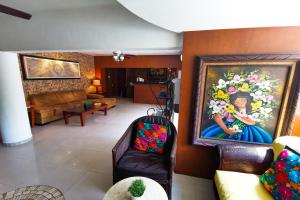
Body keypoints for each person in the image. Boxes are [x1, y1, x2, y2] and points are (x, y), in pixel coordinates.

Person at [202, 92, 273, 144]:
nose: (240, 102)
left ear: (247, 101)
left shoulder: (253, 111)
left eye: (243, 100)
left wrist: (237, 115)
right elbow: (217, 117)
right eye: (237, 101)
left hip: (248, 131)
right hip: (228, 127)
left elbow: (251, 122)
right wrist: (226, 129)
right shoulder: (230, 110)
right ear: (234, 102)